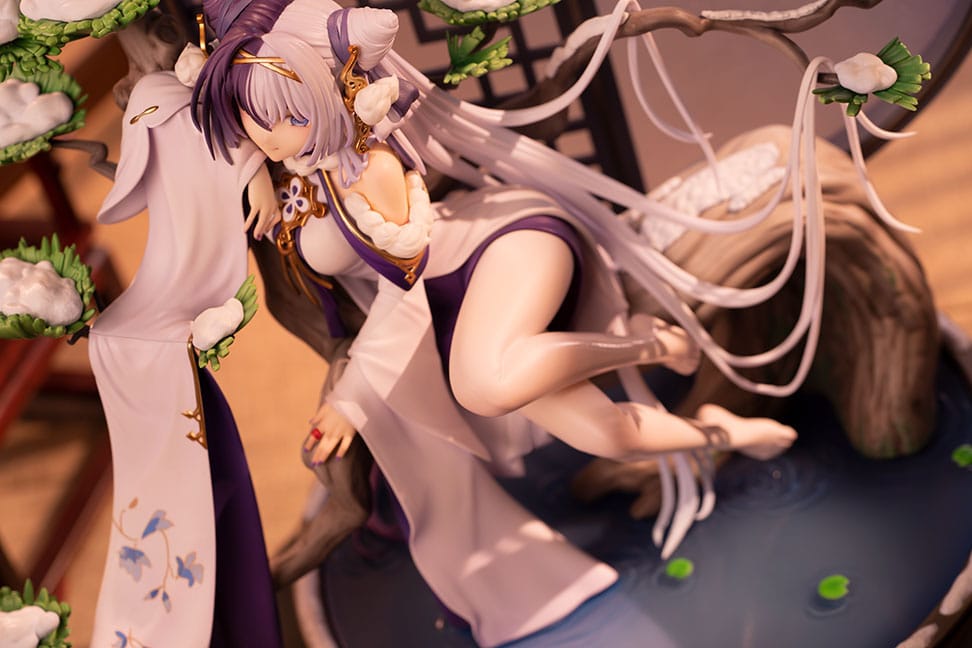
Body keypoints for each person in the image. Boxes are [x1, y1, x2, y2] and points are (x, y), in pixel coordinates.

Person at [191, 0, 807, 644]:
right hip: (458, 308)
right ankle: (719, 431)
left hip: (500, 250)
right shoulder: (294, 156)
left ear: (325, 97)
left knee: (482, 384)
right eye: (252, 119)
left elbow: (402, 297)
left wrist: (351, 397)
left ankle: (645, 345)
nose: (264, 135)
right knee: (608, 435)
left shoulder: (370, 169)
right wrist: (254, 172)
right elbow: (235, 128)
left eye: (284, 117)